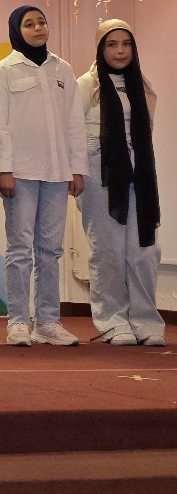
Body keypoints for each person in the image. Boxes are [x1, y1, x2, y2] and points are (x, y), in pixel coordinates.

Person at [0, 6, 87, 347]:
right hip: (20, 172)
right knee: (20, 249)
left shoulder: (62, 69)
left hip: (57, 172)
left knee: (51, 249)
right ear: (16, 30)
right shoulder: (5, 70)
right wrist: (3, 169)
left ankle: (48, 322)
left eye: (41, 22)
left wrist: (77, 168)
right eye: (29, 24)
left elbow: (74, 122)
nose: (37, 28)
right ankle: (18, 322)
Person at [77, 20, 165, 346]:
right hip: (99, 172)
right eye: (112, 44)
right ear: (101, 48)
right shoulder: (86, 85)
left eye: (126, 44)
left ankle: (145, 320)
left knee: (145, 250)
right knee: (108, 250)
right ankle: (113, 321)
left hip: (140, 173)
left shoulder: (141, 84)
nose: (120, 51)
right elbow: (73, 132)